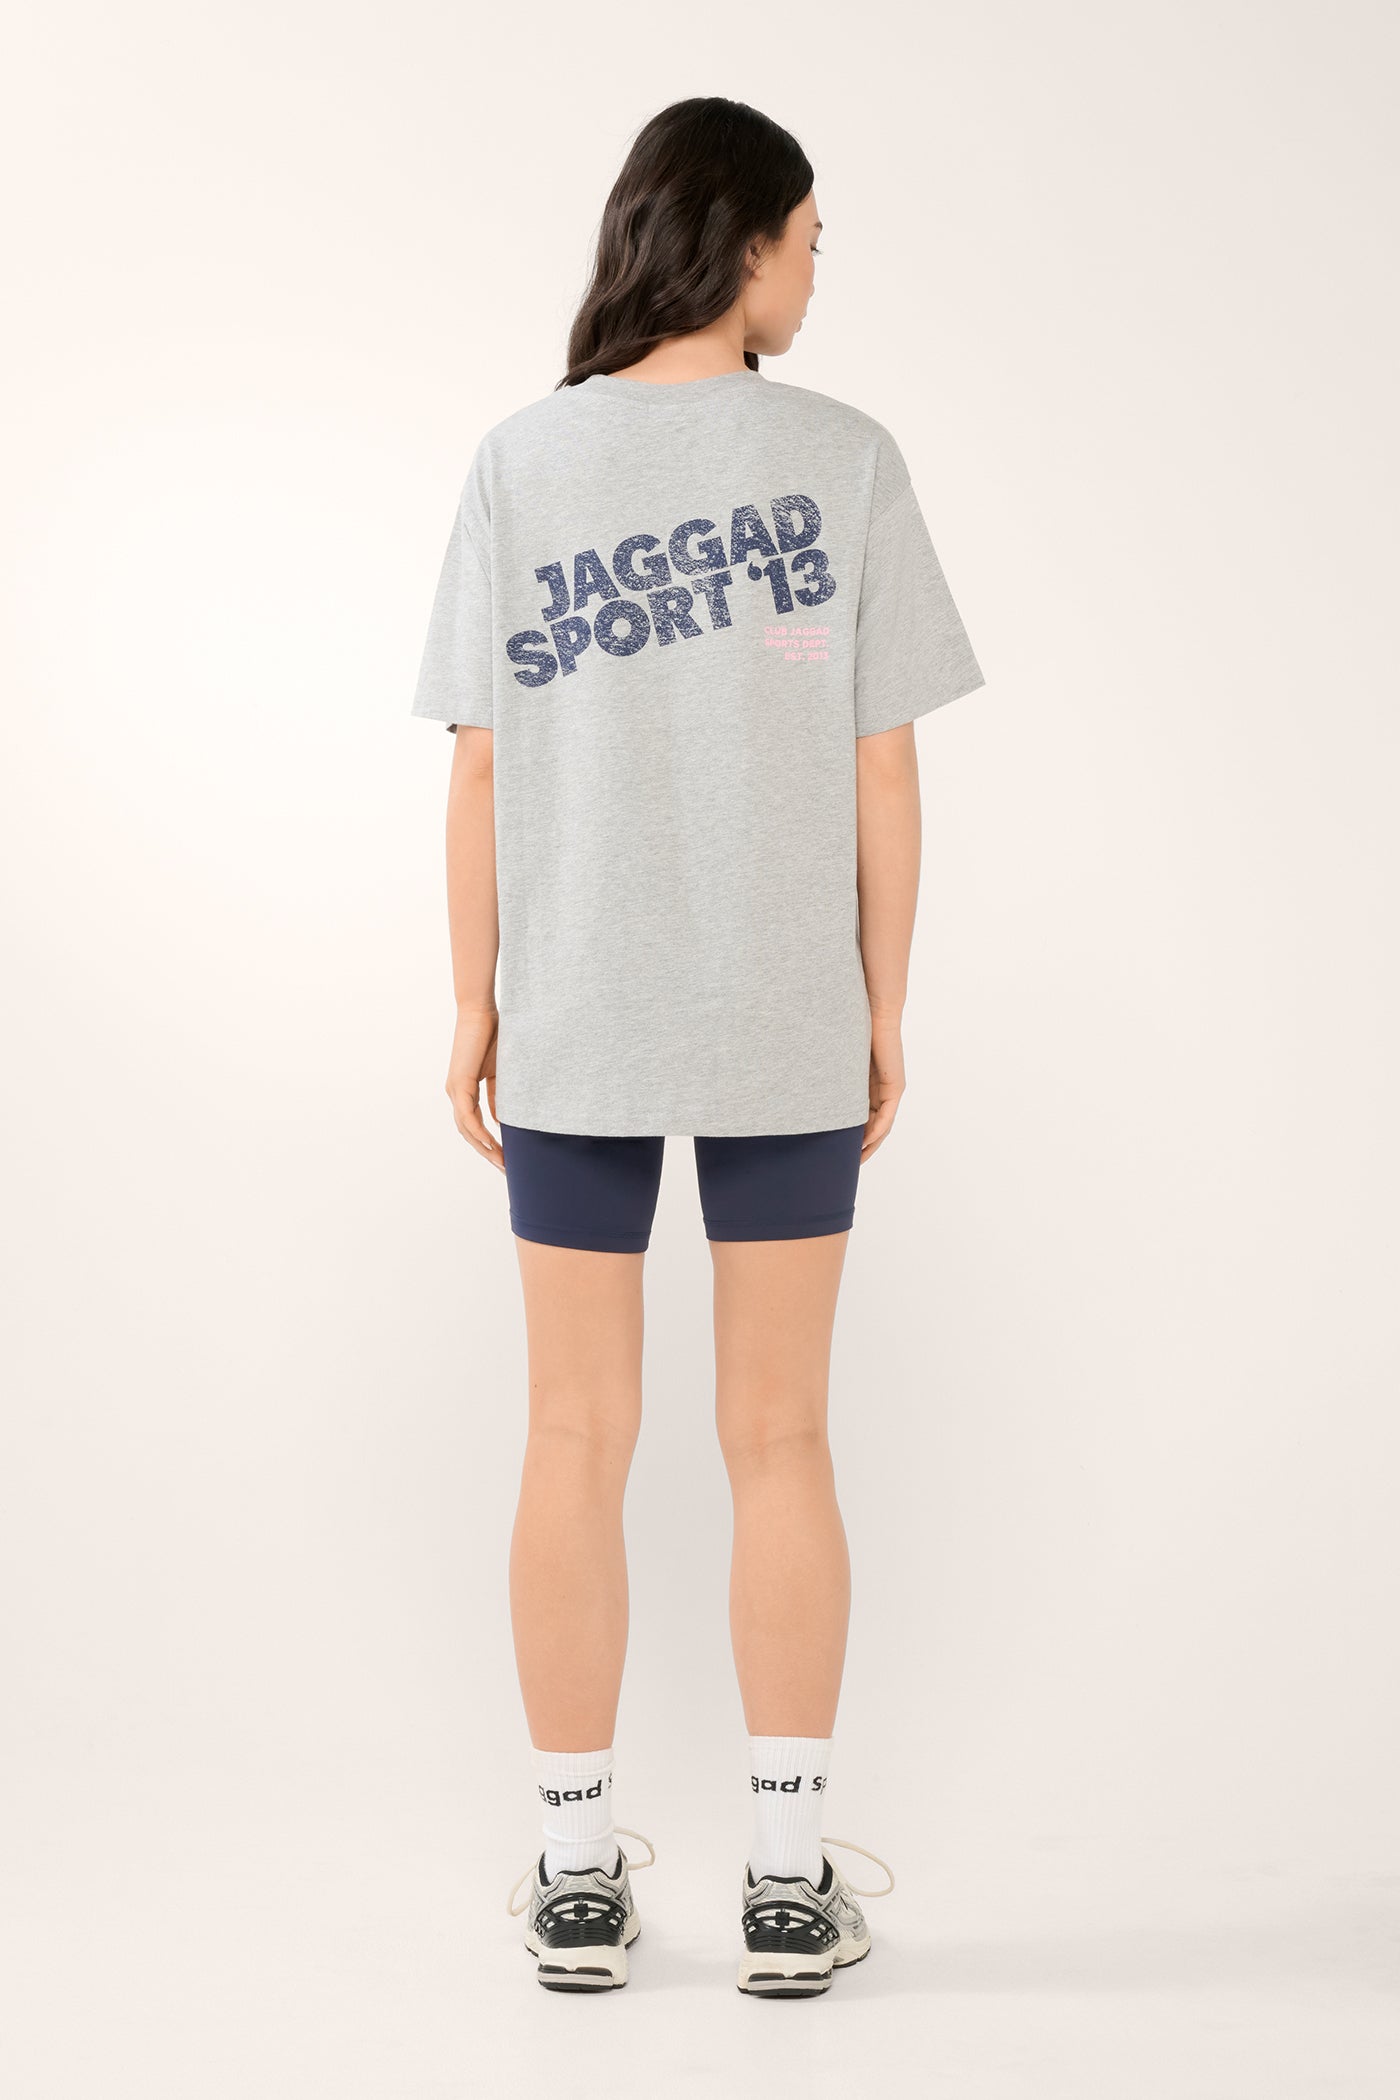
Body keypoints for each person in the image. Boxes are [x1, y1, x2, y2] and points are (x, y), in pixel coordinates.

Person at [410, 95, 985, 1997]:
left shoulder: (521, 462)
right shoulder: (845, 461)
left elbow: (479, 768)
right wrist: (881, 1005)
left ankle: (577, 1873)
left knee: (572, 1433)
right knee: (782, 1437)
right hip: (778, 1016)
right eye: (812, 240)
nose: (818, 275)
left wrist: (477, 1002)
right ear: (742, 240)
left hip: (578, 1014)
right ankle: (790, 1877)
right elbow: (885, 768)